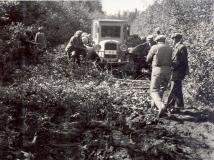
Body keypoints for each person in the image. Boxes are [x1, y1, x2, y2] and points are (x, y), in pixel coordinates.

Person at [146, 35, 173, 117]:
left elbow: (148, 59)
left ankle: (161, 106)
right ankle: (153, 107)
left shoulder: (155, 47)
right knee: (161, 89)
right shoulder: (170, 48)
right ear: (164, 40)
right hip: (168, 71)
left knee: (153, 90)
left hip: (157, 70)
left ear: (157, 41)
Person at [166, 33, 189, 112]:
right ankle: (179, 106)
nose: (172, 40)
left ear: (176, 39)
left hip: (178, 71)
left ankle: (168, 106)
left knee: (173, 88)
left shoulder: (182, 47)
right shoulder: (177, 47)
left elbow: (182, 61)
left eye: (173, 39)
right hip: (176, 70)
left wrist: (172, 65)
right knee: (178, 88)